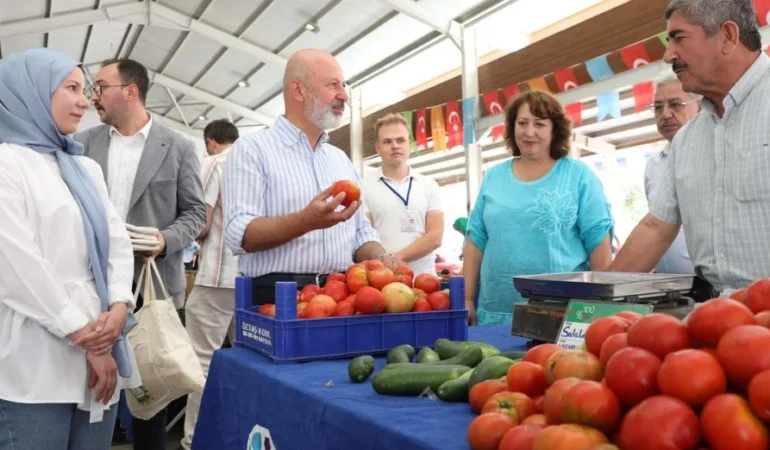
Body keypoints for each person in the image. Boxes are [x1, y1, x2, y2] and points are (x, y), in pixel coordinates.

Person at [0, 48, 138, 449]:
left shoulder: (83, 167)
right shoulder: (8, 164)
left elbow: (117, 243)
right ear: (30, 92)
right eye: (72, 88)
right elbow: (15, 263)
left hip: (102, 344)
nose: (85, 100)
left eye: (86, 89)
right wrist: (83, 334)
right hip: (35, 356)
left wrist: (118, 306)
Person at [75, 58, 207, 450]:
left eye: (100, 87)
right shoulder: (82, 145)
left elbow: (197, 212)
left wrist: (165, 240)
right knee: (94, 388)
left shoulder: (179, 146)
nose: (92, 97)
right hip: (92, 282)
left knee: (152, 389)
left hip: (152, 288)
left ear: (130, 91)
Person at [611, 0, 770, 296]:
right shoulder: (686, 140)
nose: (668, 54)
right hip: (715, 318)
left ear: (727, 36)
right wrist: (587, 306)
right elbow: (656, 228)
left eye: (678, 38)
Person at [224, 48, 402, 302]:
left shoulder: (339, 159)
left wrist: (381, 258)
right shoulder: (252, 149)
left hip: (341, 294)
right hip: (277, 297)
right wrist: (306, 221)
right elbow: (239, 234)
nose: (344, 95)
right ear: (298, 90)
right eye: (332, 85)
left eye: (343, 85)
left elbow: (361, 231)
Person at [463, 90, 613, 325]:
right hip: (496, 312)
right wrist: (467, 299)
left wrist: (600, 306)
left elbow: (598, 243)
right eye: (522, 123)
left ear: (555, 130)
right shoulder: (494, 177)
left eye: (540, 124)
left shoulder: (578, 175)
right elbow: (475, 241)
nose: (529, 132)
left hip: (563, 314)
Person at [182, 119, 240, 450]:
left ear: (210, 142)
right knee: (250, 365)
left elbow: (200, 223)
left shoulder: (214, 163)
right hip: (251, 280)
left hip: (216, 277)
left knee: (200, 364)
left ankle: (194, 443)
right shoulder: (252, 162)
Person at [364, 113, 444, 276]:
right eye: (387, 141)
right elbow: (364, 237)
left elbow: (435, 236)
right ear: (377, 148)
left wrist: (394, 258)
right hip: (381, 282)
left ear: (410, 144)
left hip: (425, 281)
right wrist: (385, 261)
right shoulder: (364, 186)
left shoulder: (429, 185)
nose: (395, 146)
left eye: (400, 140)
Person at [643, 74, 700, 275]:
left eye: (676, 104)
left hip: (715, 290)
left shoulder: (715, 155)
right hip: (667, 290)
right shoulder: (653, 165)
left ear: (700, 107)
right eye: (658, 107)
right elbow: (654, 226)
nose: (665, 114)